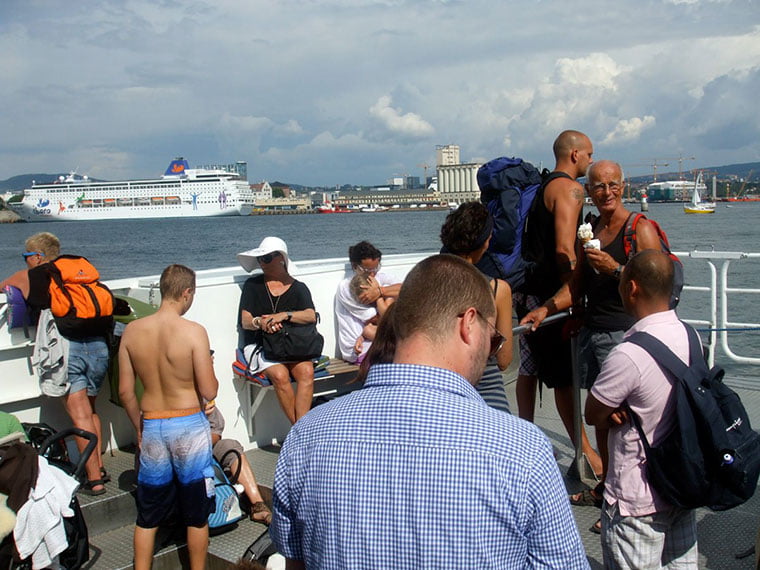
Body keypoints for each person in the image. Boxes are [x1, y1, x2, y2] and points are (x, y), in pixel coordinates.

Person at [271, 254, 589, 569]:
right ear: (468, 324)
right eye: (493, 339)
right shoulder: (523, 450)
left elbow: (296, 564)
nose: (491, 352)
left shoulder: (306, 436)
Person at [521, 160, 664, 521]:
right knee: (603, 419)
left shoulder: (639, 228)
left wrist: (615, 270)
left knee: (628, 423)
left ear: (623, 185)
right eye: (598, 187)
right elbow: (576, 286)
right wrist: (546, 309)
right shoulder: (592, 228)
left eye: (612, 185)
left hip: (629, 337)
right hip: (595, 334)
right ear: (590, 189)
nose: (606, 193)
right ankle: (608, 488)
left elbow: (657, 286)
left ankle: (631, 500)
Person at [585, 250, 698, 568]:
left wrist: (614, 408)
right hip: (681, 484)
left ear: (631, 288)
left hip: (638, 497)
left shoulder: (628, 355)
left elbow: (594, 414)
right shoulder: (691, 337)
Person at [118, 264, 218, 570]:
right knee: (196, 513)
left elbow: (125, 392)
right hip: (188, 423)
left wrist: (139, 427)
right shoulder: (193, 332)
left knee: (148, 514)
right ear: (187, 293)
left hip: (153, 424)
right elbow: (208, 388)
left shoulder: (132, 331)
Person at [516, 129, 602, 476]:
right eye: (589, 154)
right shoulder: (570, 189)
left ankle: (526, 437)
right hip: (550, 297)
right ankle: (587, 456)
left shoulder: (543, 188)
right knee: (564, 378)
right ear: (575, 154)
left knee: (533, 369)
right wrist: (573, 292)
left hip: (528, 291)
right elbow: (565, 248)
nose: (591, 161)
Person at [20, 233, 112, 496]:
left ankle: (93, 480)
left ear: (37, 256)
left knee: (80, 415)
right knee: (91, 411)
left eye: (27, 257)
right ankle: (100, 466)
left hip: (69, 347)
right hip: (98, 346)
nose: (26, 262)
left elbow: (16, 290)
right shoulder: (77, 272)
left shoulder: (40, 274)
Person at [440, 202, 513, 412]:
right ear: (485, 243)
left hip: (443, 385)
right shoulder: (497, 289)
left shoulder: (429, 283)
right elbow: (504, 359)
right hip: (486, 387)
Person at [237, 236, 319, 424]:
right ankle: (300, 431)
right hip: (261, 345)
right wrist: (260, 322)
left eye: (265, 258)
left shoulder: (298, 288)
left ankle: (300, 430)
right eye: (260, 259)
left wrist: (284, 315)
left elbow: (310, 315)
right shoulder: (253, 286)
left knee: (306, 372)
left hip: (291, 345)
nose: (261, 263)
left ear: (280, 258)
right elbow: (245, 320)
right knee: (280, 375)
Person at [205, 402, 272, 524]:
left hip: (203, 446)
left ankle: (257, 505)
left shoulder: (199, 394)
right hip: (174, 453)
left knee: (231, 446)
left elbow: (216, 431)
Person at [334, 241, 401, 363]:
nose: (373, 273)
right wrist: (381, 297)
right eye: (367, 270)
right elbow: (383, 318)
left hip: (379, 339)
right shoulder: (348, 286)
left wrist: (381, 291)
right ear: (355, 267)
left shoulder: (379, 278)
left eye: (376, 268)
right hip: (360, 348)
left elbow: (407, 289)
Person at [346, 272, 393, 362]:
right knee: (367, 329)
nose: (366, 302)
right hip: (387, 334)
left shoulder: (388, 298)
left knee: (369, 329)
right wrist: (360, 339)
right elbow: (368, 328)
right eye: (362, 301)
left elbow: (386, 316)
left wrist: (378, 295)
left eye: (367, 298)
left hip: (398, 330)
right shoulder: (371, 308)